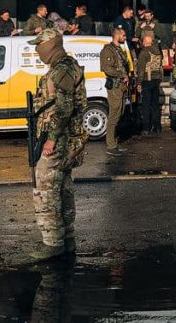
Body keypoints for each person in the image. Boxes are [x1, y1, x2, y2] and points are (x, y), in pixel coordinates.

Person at [28, 27, 89, 261]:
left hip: (58, 137)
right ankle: (67, 237)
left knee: (45, 187)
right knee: (63, 186)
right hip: (65, 136)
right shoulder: (67, 66)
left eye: (39, 45)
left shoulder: (61, 69)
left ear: (50, 45)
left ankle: (53, 242)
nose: (37, 50)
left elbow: (64, 108)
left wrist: (51, 138)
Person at [99, 27, 131, 156]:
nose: (125, 37)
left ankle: (114, 143)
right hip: (115, 87)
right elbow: (107, 68)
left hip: (122, 86)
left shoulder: (119, 50)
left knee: (120, 113)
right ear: (117, 36)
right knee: (114, 115)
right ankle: (110, 145)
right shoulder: (108, 50)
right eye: (123, 35)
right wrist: (122, 75)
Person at [135, 33, 164, 135]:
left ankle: (146, 128)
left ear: (144, 42)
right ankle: (157, 127)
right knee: (155, 105)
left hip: (147, 80)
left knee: (146, 105)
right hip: (156, 80)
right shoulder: (157, 52)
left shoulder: (144, 53)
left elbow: (141, 70)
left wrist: (139, 83)